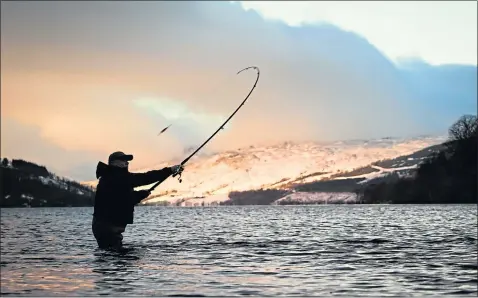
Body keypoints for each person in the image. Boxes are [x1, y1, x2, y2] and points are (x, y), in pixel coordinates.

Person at [92, 151, 183, 250]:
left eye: (127, 161)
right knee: (117, 256)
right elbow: (144, 179)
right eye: (123, 160)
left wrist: (140, 195)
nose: (127, 163)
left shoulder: (112, 177)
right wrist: (169, 170)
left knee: (111, 256)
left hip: (105, 226)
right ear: (114, 163)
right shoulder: (116, 177)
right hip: (107, 227)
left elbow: (121, 199)